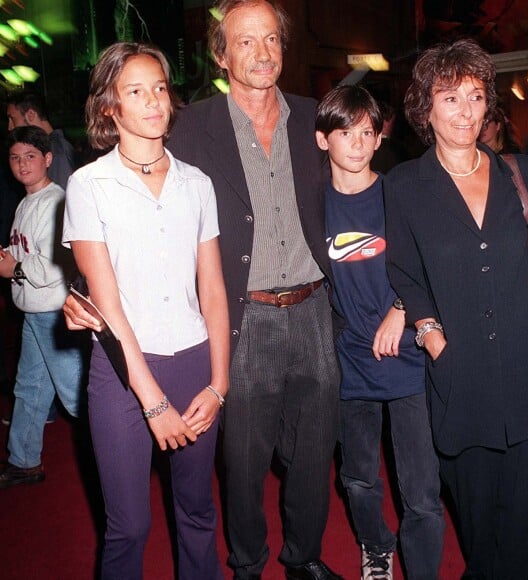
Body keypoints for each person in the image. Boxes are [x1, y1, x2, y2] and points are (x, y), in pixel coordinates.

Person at [63, 2, 342, 579]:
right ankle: (246, 564)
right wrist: (75, 291)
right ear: (220, 55)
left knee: (314, 453)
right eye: (246, 41)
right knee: (240, 462)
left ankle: (304, 558)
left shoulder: (319, 119)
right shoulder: (188, 126)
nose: (262, 52)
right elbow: (111, 234)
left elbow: (366, 194)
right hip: (244, 312)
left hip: (312, 307)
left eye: (272, 39)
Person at [383, 38, 528, 579]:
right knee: (479, 530)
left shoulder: (520, 173)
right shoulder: (405, 187)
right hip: (461, 384)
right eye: (450, 98)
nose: (465, 111)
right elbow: (404, 273)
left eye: (475, 96)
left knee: (520, 528)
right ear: (426, 109)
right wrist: (431, 333)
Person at [62, 42, 230, 579]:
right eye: (136, 91)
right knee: (129, 526)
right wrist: (153, 402)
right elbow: (105, 306)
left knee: (198, 509)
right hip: (121, 371)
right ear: (110, 107)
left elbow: (214, 291)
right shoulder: (88, 185)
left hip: (194, 362)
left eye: (159, 87)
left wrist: (219, 383)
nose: (155, 101)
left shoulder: (197, 183)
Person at [315, 84, 444, 580]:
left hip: (409, 358)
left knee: (421, 490)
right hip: (348, 361)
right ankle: (375, 546)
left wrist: (400, 307)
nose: (358, 142)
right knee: (358, 479)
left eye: (367, 132)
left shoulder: (400, 194)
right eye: (345, 132)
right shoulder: (313, 205)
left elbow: (436, 264)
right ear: (323, 140)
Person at [0, 126, 85, 488]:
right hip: (33, 313)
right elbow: (26, 252)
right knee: (30, 389)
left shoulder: (54, 202)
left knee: (76, 396)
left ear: (48, 159)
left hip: (53, 313)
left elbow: (53, 266)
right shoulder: (26, 201)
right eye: (16, 157)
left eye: (30, 156)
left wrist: (13, 268)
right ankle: (24, 462)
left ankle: (124, 453)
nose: (22, 164)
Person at [6, 91, 76, 189]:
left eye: (12, 119)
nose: (10, 127)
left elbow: (62, 195)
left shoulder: (57, 151)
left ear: (30, 115)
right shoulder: (54, 146)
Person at [370, 101, 407, 174]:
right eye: (393, 123)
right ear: (386, 123)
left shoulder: (367, 146)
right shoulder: (393, 149)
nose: (393, 127)